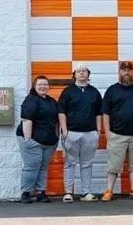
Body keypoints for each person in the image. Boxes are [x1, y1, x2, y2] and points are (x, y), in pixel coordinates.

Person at [101, 61, 133, 201]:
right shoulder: (111, 90)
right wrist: (107, 132)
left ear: (132, 72)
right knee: (113, 166)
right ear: (119, 72)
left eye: (129, 70)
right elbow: (105, 113)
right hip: (116, 135)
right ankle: (109, 191)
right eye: (123, 70)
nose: (126, 73)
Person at [57, 64, 102, 202]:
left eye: (84, 71)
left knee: (87, 164)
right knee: (70, 163)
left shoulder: (94, 92)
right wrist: (65, 131)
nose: (81, 73)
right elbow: (61, 112)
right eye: (79, 71)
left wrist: (98, 131)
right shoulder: (67, 92)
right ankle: (68, 193)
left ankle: (86, 193)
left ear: (88, 75)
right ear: (74, 75)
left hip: (90, 133)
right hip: (72, 133)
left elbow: (99, 113)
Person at [17, 75, 60, 204]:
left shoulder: (52, 101)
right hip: (32, 140)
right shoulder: (31, 100)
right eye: (40, 84)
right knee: (31, 167)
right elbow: (26, 120)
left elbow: (56, 121)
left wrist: (57, 137)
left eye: (45, 84)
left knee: (43, 167)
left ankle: (41, 192)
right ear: (34, 87)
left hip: (49, 142)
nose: (43, 87)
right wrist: (28, 140)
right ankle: (26, 193)